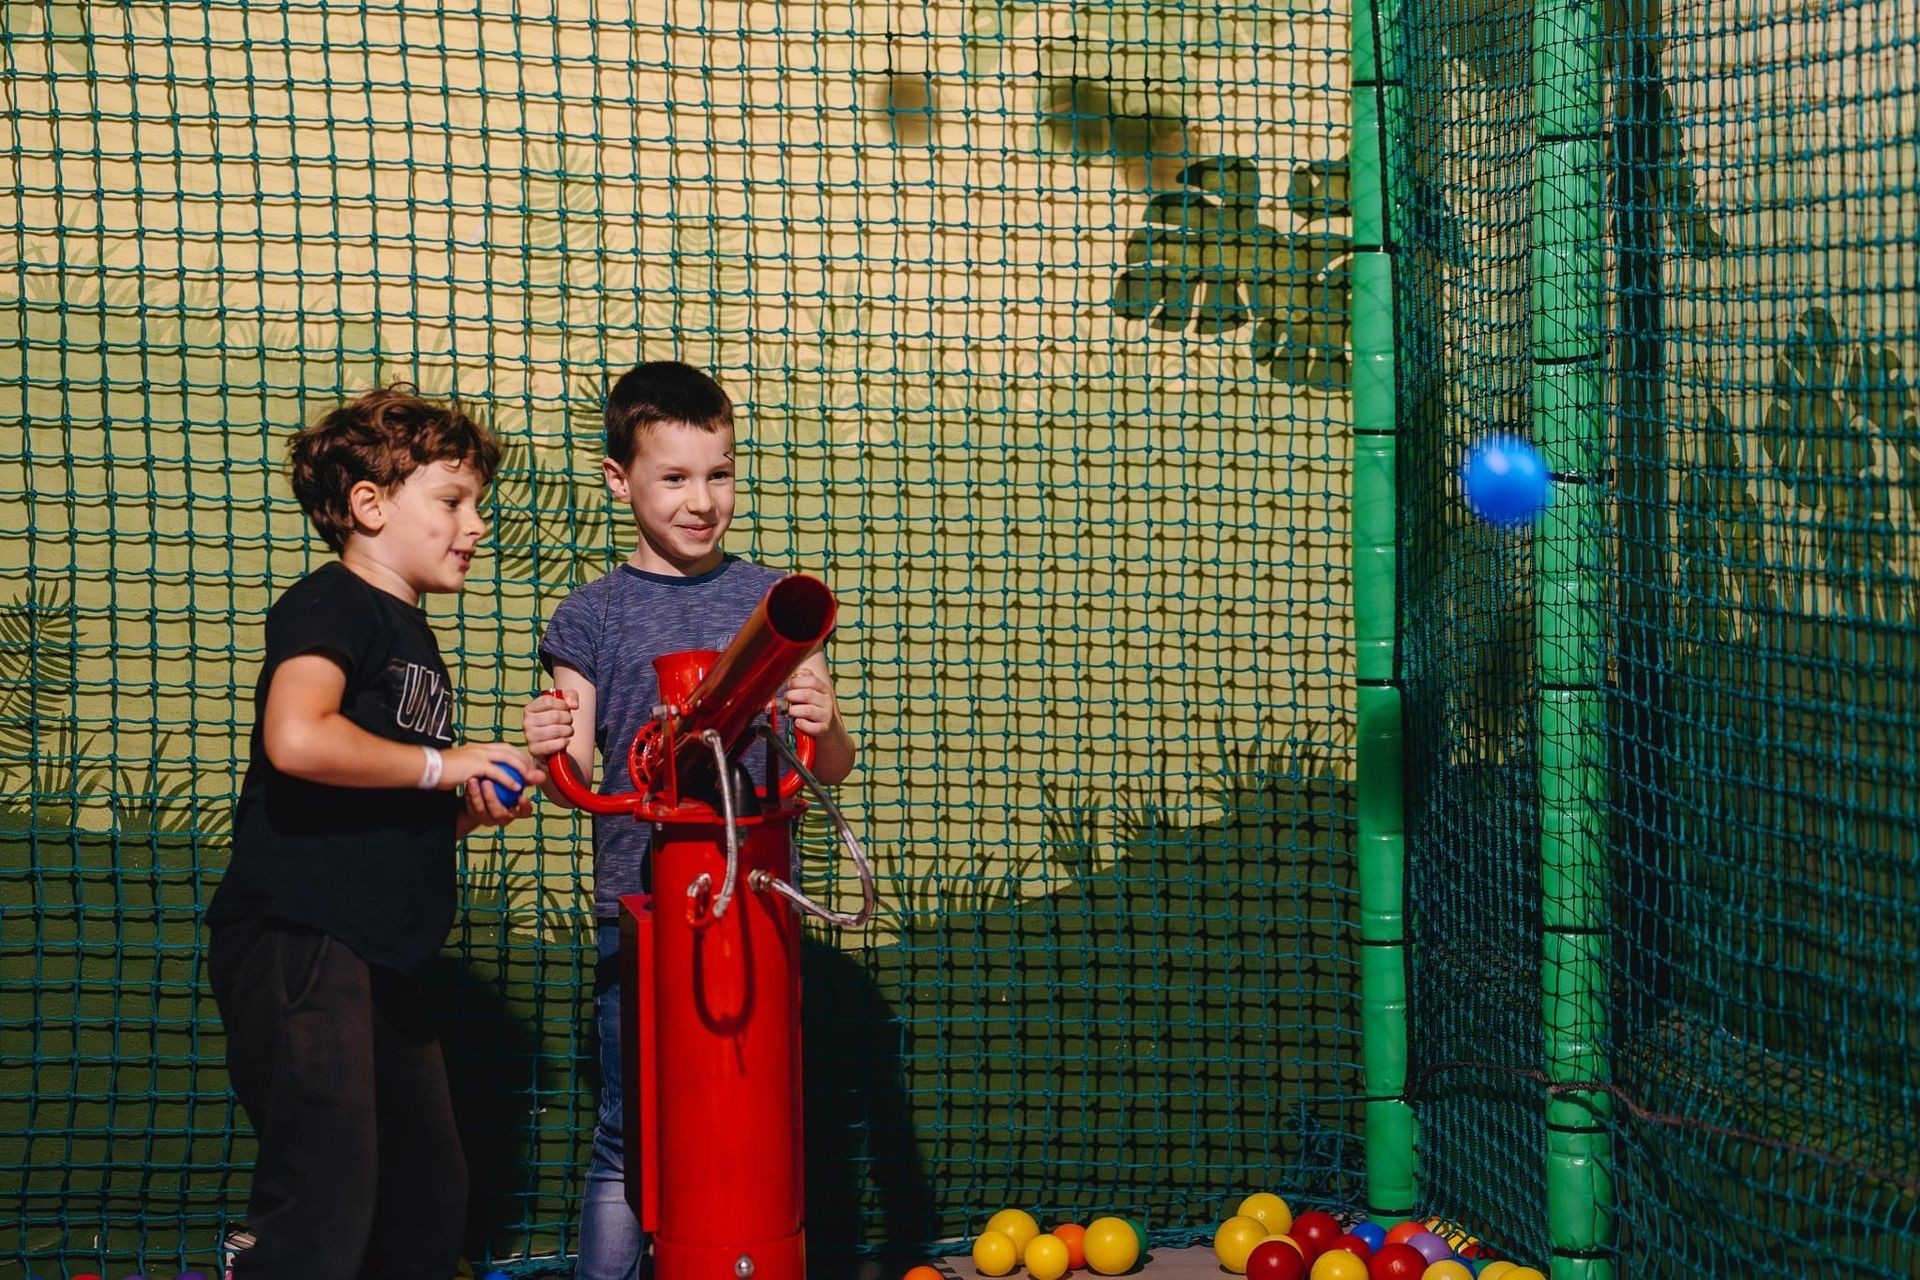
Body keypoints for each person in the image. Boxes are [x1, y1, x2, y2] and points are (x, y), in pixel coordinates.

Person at [520, 361, 856, 1280]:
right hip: (643, 911)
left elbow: (828, 768)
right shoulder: (590, 615)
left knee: (760, 1119)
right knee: (631, 1135)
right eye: (674, 477)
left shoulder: (771, 599)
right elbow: (578, 773)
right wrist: (551, 745)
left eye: (721, 473)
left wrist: (827, 730)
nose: (701, 500)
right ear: (618, 480)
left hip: (755, 907)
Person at [205, 386, 542, 1279]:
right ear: (370, 504)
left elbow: (383, 801)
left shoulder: (413, 639)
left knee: (428, 1199)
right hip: (302, 937)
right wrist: (445, 766)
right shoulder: (333, 604)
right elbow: (298, 737)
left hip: (383, 953)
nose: (475, 525)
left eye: (477, 504)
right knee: (324, 1197)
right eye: (452, 501)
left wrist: (464, 808)